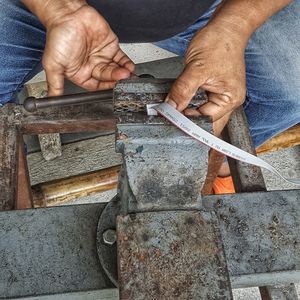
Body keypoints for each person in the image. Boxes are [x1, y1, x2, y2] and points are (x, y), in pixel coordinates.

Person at [1, 0, 299, 193]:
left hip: (219, 8)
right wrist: (59, 8)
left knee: (290, 94)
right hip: (33, 5)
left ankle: (219, 166)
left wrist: (235, 25)